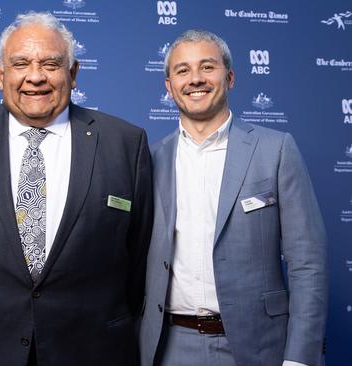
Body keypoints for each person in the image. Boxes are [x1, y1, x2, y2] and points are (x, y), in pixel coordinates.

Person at [0, 11, 152, 366]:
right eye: (21, 63)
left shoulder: (125, 143)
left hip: (90, 349)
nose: (36, 77)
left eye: (51, 64)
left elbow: (138, 257)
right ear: (0, 74)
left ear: (73, 73)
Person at [138, 29, 327, 366]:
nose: (195, 79)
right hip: (170, 348)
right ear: (169, 87)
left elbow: (307, 262)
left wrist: (300, 358)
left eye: (207, 67)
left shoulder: (276, 149)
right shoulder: (151, 160)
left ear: (230, 76)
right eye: (182, 70)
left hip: (259, 346)